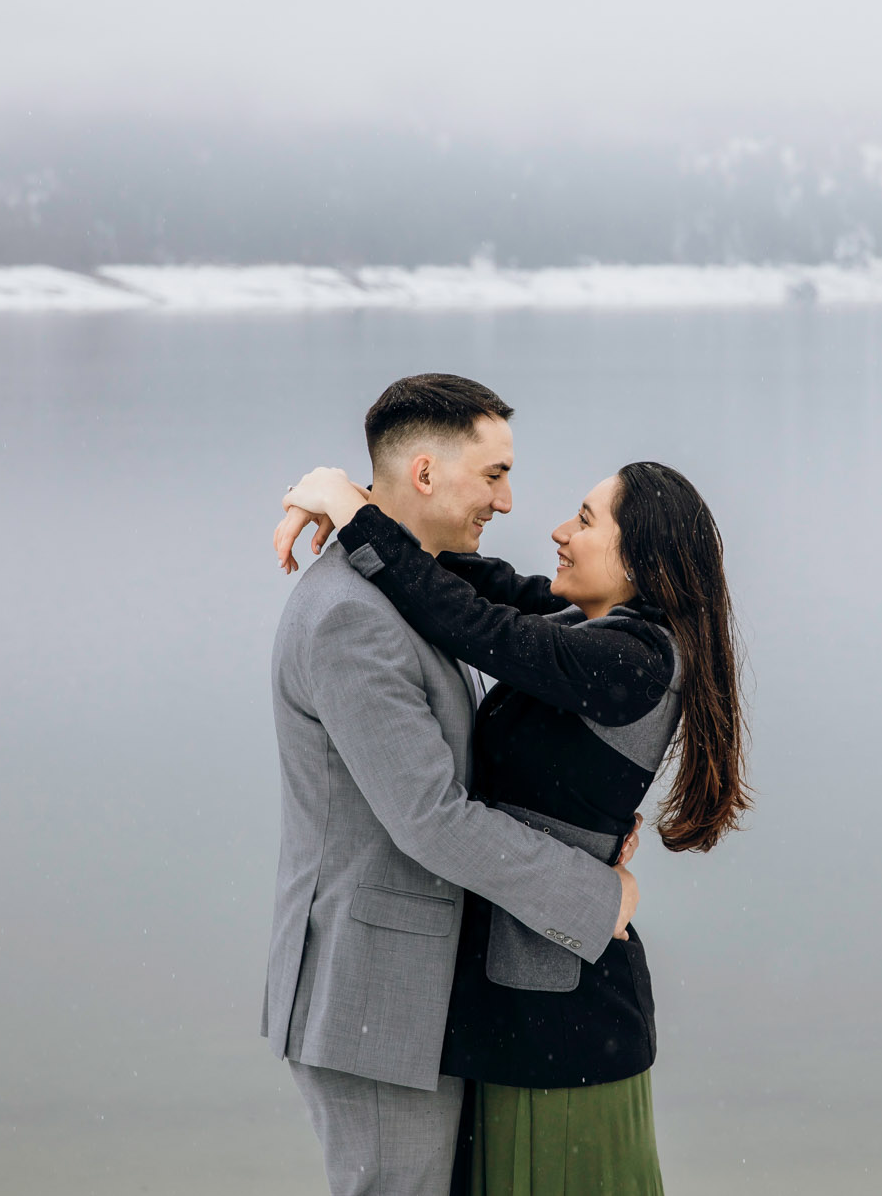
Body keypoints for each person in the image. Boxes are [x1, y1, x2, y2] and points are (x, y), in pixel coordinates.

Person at [276, 454, 750, 1195]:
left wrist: (357, 514)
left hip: (563, 1031)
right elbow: (473, 581)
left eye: (587, 521)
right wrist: (362, 503)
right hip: (523, 1025)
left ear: (641, 558)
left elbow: (478, 626)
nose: (559, 531)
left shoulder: (632, 659)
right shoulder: (594, 623)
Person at [264, 374, 643, 1196]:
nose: (507, 502)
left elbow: (525, 634)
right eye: (494, 474)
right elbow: (431, 818)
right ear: (427, 474)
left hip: (419, 999)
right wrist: (594, 892)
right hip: (372, 998)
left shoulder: (411, 586)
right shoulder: (351, 616)